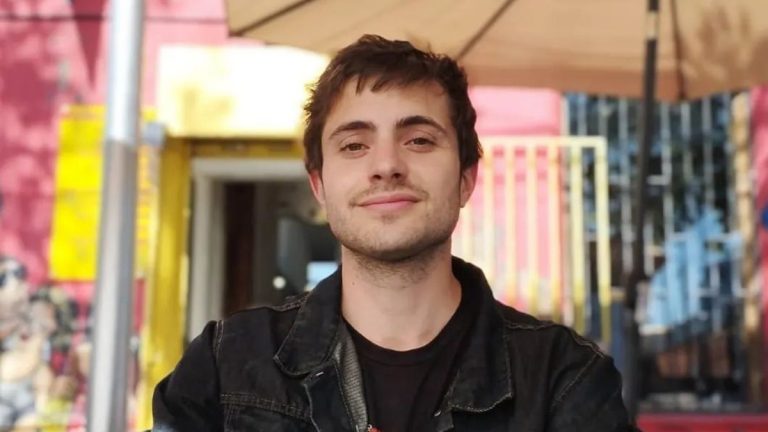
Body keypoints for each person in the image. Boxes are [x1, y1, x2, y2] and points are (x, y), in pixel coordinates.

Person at [152, 35, 634, 431]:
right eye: (354, 145)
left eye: (419, 140)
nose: (386, 165)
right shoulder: (226, 365)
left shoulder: (562, 378)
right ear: (319, 186)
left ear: (466, 178)